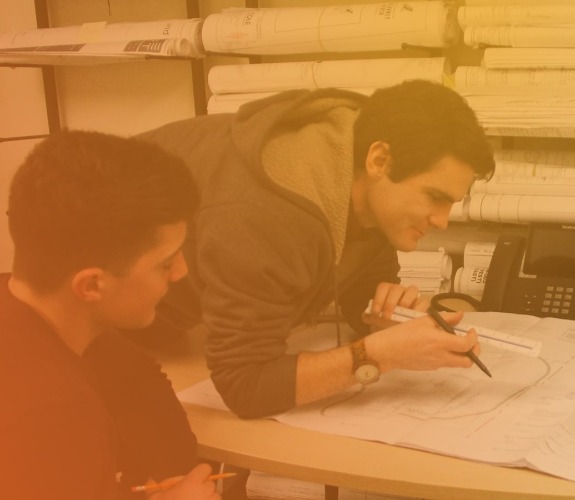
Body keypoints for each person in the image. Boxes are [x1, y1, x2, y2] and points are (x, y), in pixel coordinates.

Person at [137, 80, 496, 418]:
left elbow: (360, 293)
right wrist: (381, 354)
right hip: (101, 323)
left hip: (163, 324)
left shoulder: (362, 192)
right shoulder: (269, 215)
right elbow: (245, 386)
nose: (442, 221)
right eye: (434, 197)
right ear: (380, 161)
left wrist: (386, 315)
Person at [0, 131, 220, 499]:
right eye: (164, 263)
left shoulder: (40, 318)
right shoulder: (53, 412)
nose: (181, 271)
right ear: (91, 286)